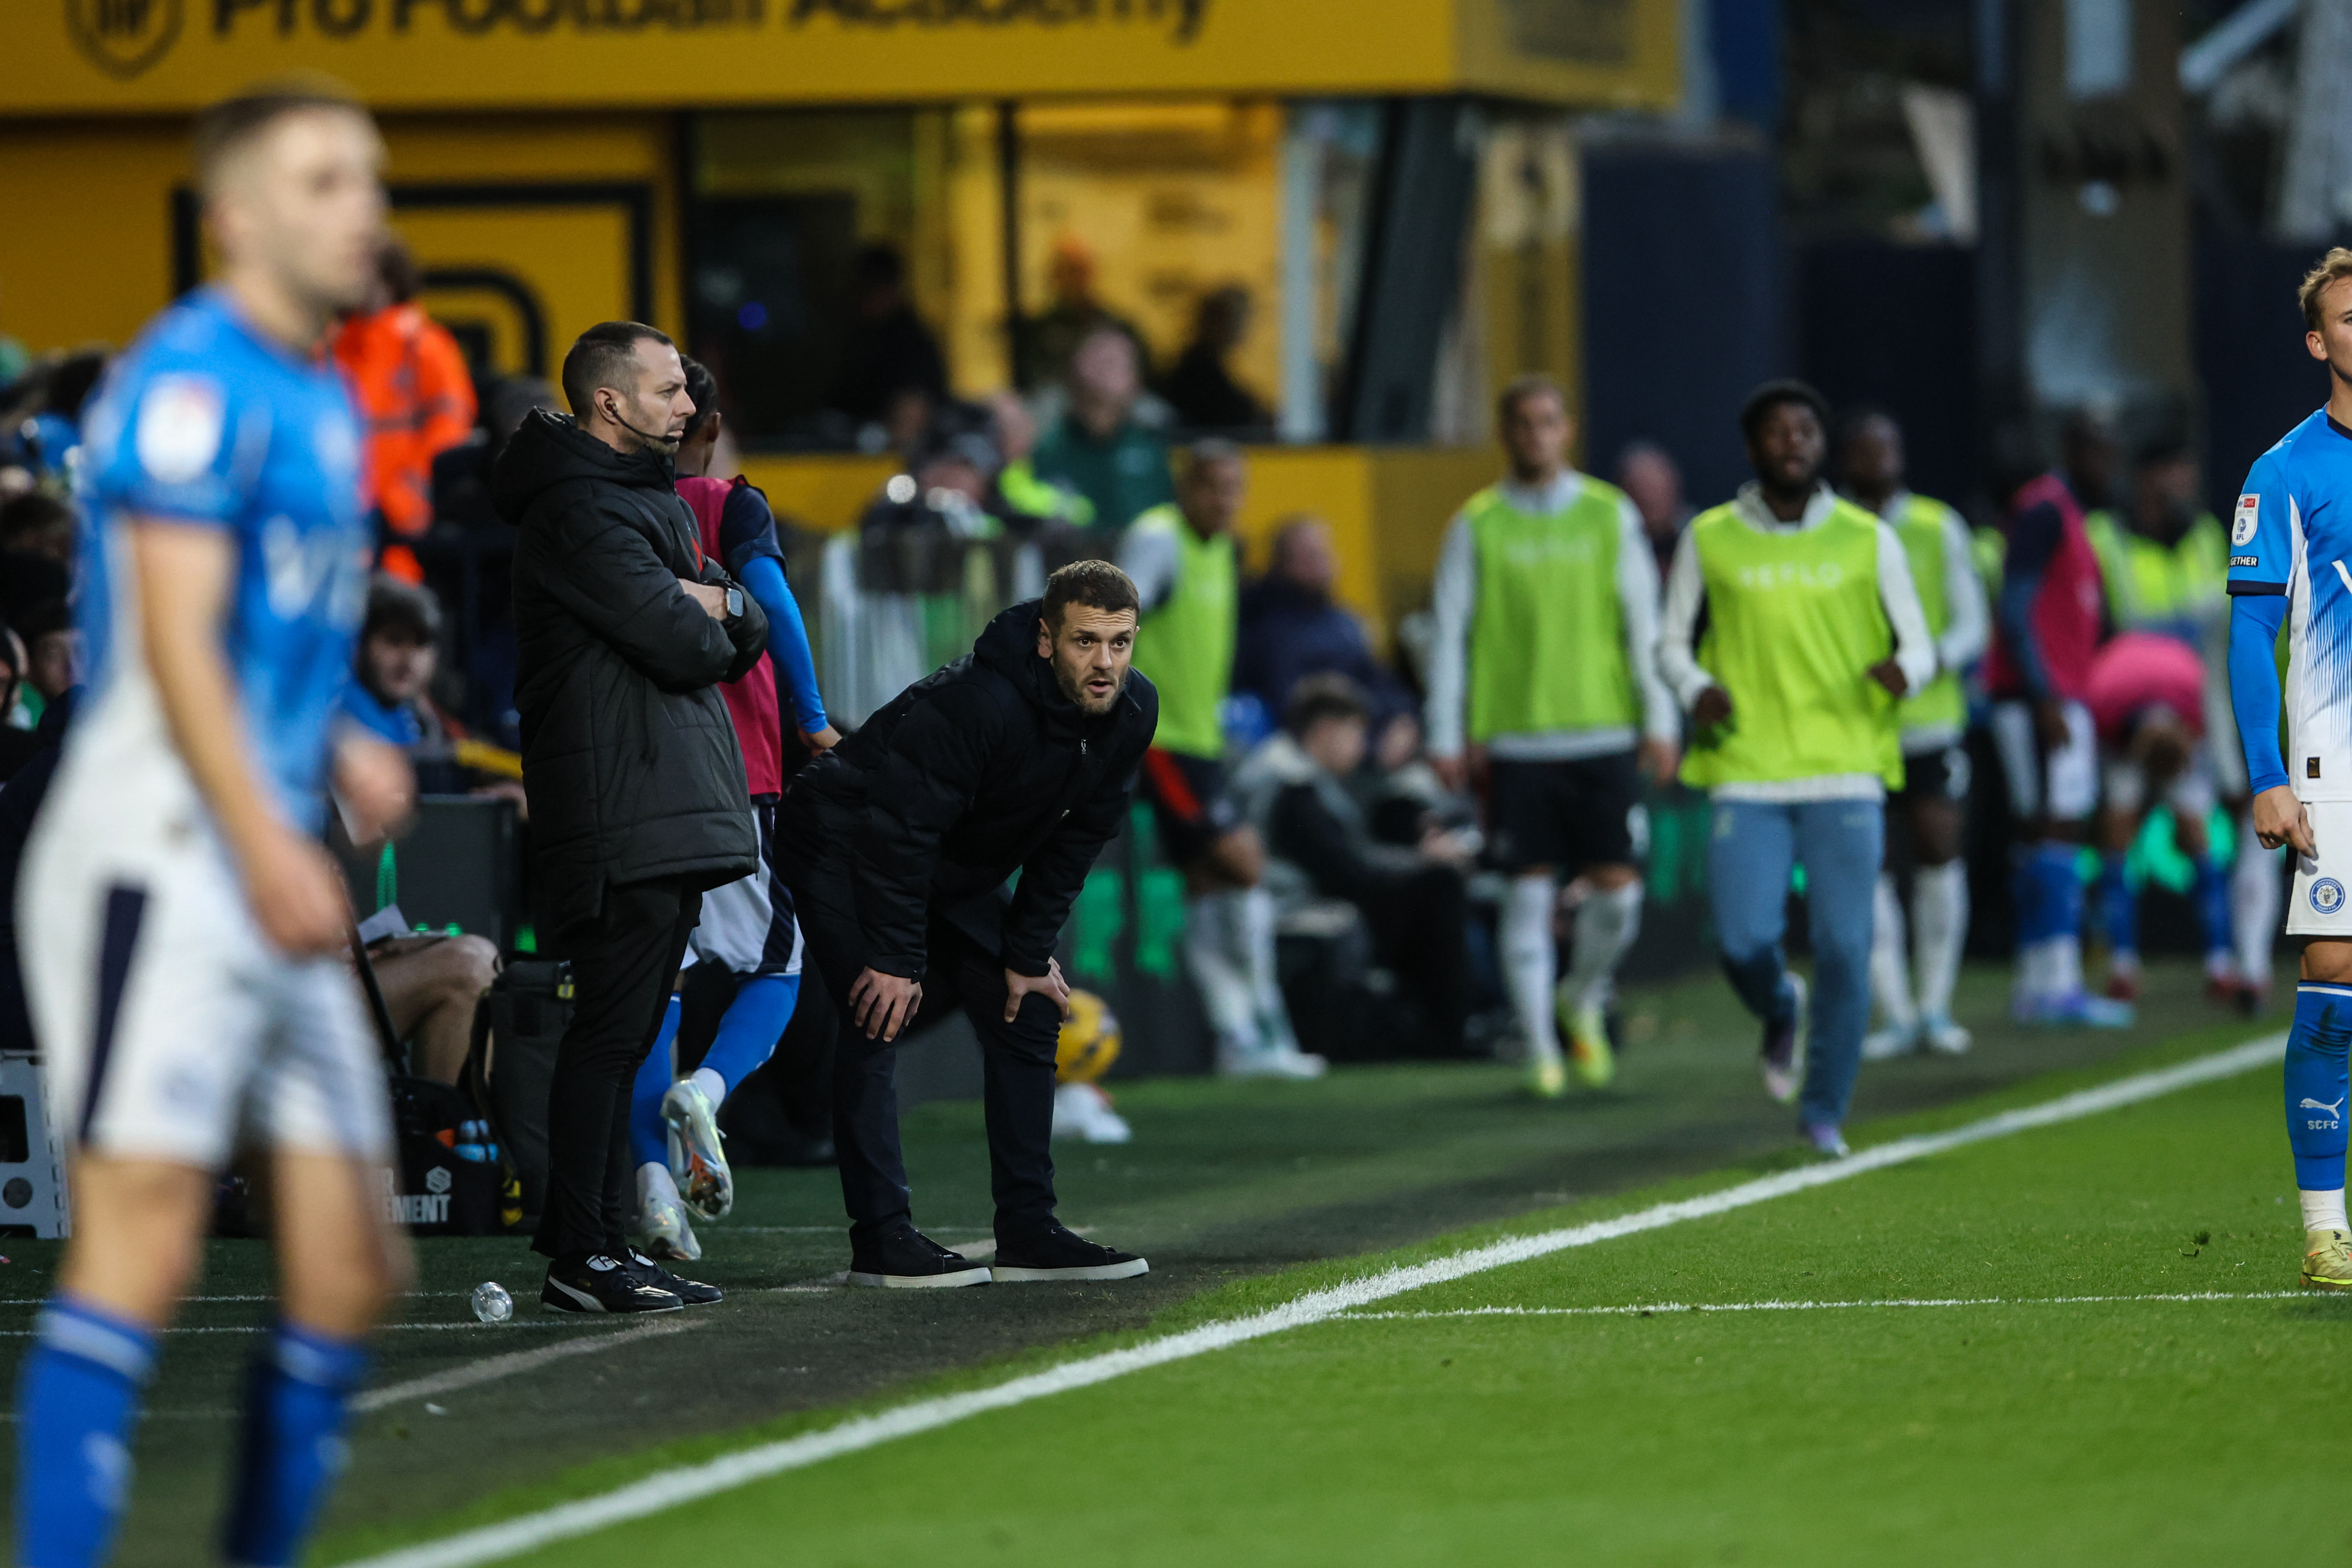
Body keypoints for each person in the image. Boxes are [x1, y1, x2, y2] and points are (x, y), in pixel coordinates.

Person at [12, 83, 418, 1568]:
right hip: (160, 850)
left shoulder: (320, 390)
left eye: (368, 177)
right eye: (324, 180)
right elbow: (174, 645)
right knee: (146, 1236)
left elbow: (271, 645)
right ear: (237, 216)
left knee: (353, 1264)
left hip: (257, 845)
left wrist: (358, 742)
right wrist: (266, 837)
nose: (361, 205)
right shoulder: (190, 379)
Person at [778, 562, 1158, 1286]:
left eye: (1119, 643)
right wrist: (893, 956)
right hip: (844, 835)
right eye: (1085, 642)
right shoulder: (979, 702)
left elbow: (1079, 839)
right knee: (875, 1010)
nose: (1104, 663)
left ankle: (1029, 1231)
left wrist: (1025, 951)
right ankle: (883, 1240)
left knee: (1028, 1008)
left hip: (940, 859)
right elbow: (900, 830)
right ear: (1046, 640)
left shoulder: (1133, 710)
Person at [495, 320, 769, 1313]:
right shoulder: (578, 511)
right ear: (608, 403)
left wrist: (717, 607)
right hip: (623, 807)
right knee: (609, 1035)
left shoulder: (624, 500)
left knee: (623, 1029)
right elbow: (678, 639)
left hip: (659, 801)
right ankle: (585, 1255)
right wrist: (708, 610)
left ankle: (594, 1244)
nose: (687, 405)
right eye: (665, 391)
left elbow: (745, 622)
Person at [1659, 380, 1935, 1158]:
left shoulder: (1866, 536)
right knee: (1744, 943)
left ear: (1821, 446)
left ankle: (1822, 1110)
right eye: (1777, 432)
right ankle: (1781, 1005)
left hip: (1844, 766)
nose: (1793, 442)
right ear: (1752, 449)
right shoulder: (1709, 537)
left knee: (1848, 949)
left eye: (1806, 431)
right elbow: (1670, 642)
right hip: (1745, 768)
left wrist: (1903, 673)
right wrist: (1693, 687)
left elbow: (1918, 642)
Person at [628, 354, 841, 1261]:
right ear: (709, 430)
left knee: (653, 987)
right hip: (736, 777)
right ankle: (707, 1093)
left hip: (632, 783)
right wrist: (815, 721)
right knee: (781, 970)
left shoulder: (603, 516)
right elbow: (778, 611)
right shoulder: (728, 505)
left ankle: (650, 1184)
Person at [1426, 376, 1678, 1097]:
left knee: (1619, 896)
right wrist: (1447, 731)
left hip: (1602, 731)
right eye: (1522, 423)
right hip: (1514, 740)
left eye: (1547, 422)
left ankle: (1582, 996)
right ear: (1506, 434)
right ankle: (1541, 1047)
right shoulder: (1476, 523)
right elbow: (1449, 636)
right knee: (1526, 898)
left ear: (1566, 429)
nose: (1536, 435)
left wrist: (1658, 719)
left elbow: (1643, 625)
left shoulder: (1608, 515)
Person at [2225, 245, 2352, 1292]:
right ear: (2319, 342)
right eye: (2348, 318)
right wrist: (2267, 772)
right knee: (2335, 979)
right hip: (2338, 765)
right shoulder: (2282, 473)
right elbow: (2247, 638)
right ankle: (2325, 1226)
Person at [1121, 440, 1321, 1079]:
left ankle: (1236, 1036)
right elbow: (1117, 618)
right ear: (1183, 486)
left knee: (1207, 886)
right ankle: (1265, 1027)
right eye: (1211, 487)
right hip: (1162, 741)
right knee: (1246, 867)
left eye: (1234, 489)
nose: (1224, 501)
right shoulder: (1158, 540)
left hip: (1201, 741)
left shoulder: (1222, 552)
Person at [1836, 407, 1987, 1061]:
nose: (1879, 459)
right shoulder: (1829, 531)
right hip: (1850, 724)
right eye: (1866, 449)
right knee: (1865, 862)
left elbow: (1970, 623)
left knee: (1936, 843)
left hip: (1927, 720)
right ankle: (1893, 1012)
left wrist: (1922, 667)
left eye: (1887, 446)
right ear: (1848, 459)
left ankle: (1935, 1007)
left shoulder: (1935, 526)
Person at [1240, 673, 1475, 1056]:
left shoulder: (1300, 772)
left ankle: (1445, 1027)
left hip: (1308, 901)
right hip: (1291, 909)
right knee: (1437, 889)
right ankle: (1446, 1035)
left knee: (1430, 886)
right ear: (1326, 730)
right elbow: (1344, 871)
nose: (1361, 746)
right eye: (1355, 733)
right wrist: (1421, 861)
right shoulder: (1289, 780)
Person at [1985, 411, 2130, 1026]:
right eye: (2096, 450)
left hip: (2057, 696)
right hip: (2035, 699)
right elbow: (2015, 608)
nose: (2107, 464)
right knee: (2051, 830)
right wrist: (2044, 697)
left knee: (2053, 832)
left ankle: (2042, 979)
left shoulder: (2070, 517)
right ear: (2072, 449)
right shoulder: (2044, 511)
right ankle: (2052, 984)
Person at [2083, 441, 2239, 1004]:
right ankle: (2121, 962)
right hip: (2121, 701)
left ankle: (2221, 961)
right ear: (2147, 478)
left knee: (2198, 830)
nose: (2182, 486)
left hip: (2188, 700)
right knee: (2117, 829)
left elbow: (2227, 613)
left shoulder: (2203, 534)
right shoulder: (2104, 536)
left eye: (2188, 474)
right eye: (2173, 473)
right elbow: (2090, 614)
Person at [332, 233, 477, 585]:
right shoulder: (336, 343)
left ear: (389, 278)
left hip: (405, 522)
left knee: (400, 619)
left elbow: (451, 423)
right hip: (343, 511)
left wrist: (413, 485)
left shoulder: (425, 345)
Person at [1234, 515, 1409, 731]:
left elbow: (1382, 685)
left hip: (1363, 739)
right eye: (1311, 555)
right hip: (1305, 745)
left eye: (1326, 552)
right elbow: (1289, 707)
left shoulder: (1345, 624)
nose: (1324, 563)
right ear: (1284, 565)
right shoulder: (1269, 631)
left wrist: (1402, 720)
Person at [1030, 327, 1174, 532]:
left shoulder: (1154, 446)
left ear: (1137, 381)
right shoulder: (1047, 447)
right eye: (1096, 359)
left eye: (1114, 363)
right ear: (1073, 371)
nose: (1103, 372)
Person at [828, 243, 949, 435]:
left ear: (887, 289)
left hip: (895, 459)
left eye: (865, 291)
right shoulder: (865, 337)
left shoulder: (910, 343)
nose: (857, 300)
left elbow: (912, 410)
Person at [1161, 285, 1273, 435]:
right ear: (1216, 322)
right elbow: (1228, 414)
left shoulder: (1208, 364)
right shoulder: (1199, 370)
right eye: (1237, 319)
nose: (1244, 328)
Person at [1615, 440, 1694, 584]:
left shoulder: (1696, 538)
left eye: (1656, 490)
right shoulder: (1615, 542)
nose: (1651, 500)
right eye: (1641, 491)